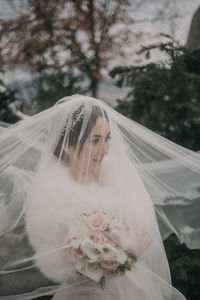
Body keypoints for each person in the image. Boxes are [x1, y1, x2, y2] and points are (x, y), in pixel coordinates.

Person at [0, 95, 199, 299]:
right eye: (95, 141)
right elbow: (56, 262)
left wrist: (128, 250)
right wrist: (107, 258)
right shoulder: (49, 196)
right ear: (67, 144)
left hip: (133, 289)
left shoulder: (117, 178)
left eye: (107, 139)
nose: (105, 150)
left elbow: (145, 230)